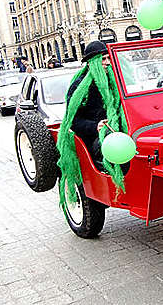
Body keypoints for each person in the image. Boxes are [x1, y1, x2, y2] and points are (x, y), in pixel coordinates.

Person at [56, 40, 127, 206]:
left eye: (108, 58)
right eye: (103, 59)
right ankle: (117, 184)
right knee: (111, 147)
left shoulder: (112, 79)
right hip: (92, 137)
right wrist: (96, 126)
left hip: (116, 129)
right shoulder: (80, 86)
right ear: (92, 62)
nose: (107, 63)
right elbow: (72, 121)